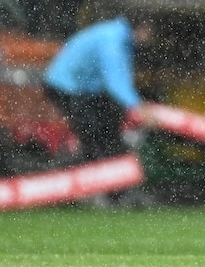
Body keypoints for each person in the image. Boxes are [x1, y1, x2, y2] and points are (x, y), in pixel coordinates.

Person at [42, 16, 156, 163]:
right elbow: (115, 80)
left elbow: (118, 78)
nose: (149, 39)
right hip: (65, 87)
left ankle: (98, 165)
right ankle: (93, 170)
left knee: (102, 132)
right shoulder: (113, 40)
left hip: (77, 88)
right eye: (149, 33)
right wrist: (138, 106)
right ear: (143, 27)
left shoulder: (119, 36)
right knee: (95, 137)